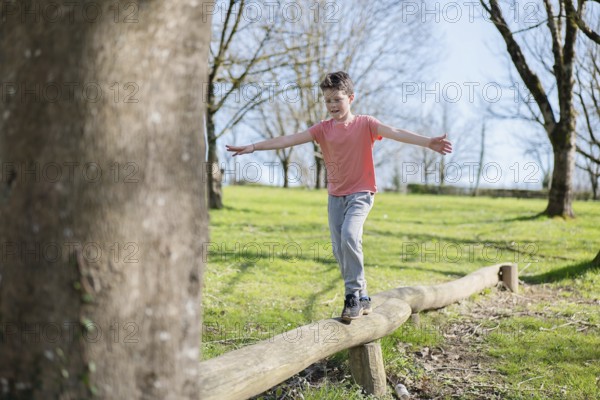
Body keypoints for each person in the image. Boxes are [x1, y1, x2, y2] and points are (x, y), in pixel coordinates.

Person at [226, 71, 452, 321]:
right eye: (328, 101)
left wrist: (427, 142)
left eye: (337, 100)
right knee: (340, 249)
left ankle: (352, 296)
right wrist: (254, 146)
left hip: (361, 193)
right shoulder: (322, 129)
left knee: (350, 235)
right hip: (335, 197)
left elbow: (395, 131)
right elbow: (289, 139)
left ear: (351, 98)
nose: (332, 105)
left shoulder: (365, 124)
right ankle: (364, 295)